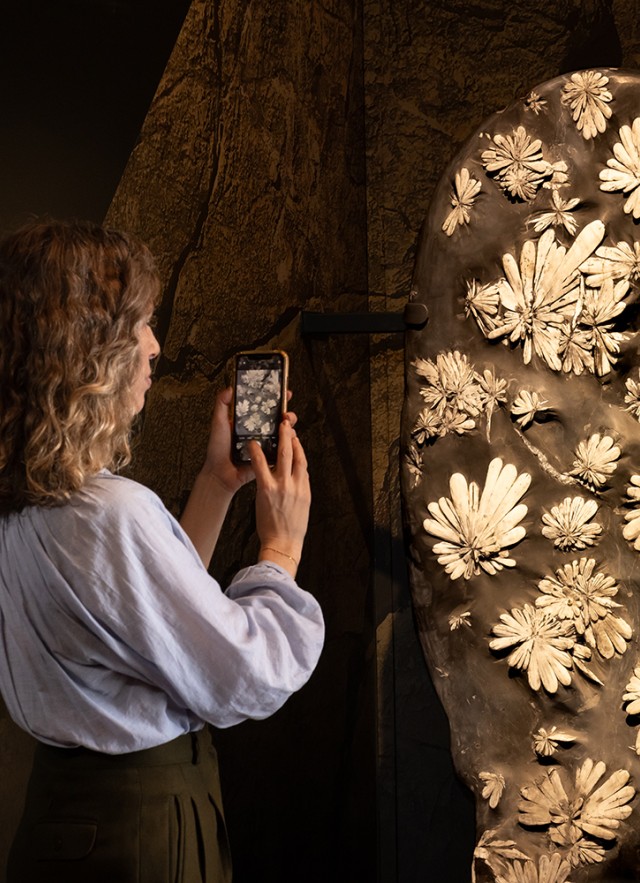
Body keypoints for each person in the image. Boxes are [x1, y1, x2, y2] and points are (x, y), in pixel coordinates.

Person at [0, 218, 324, 882]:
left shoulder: (26, 504)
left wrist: (215, 485)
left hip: (60, 820)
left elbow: (149, 624)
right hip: (143, 830)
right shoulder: (110, 513)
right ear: (90, 350)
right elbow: (244, 674)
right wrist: (281, 548)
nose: (156, 345)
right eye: (141, 325)